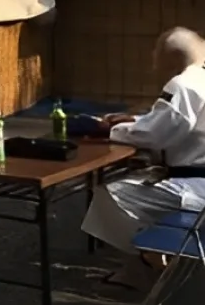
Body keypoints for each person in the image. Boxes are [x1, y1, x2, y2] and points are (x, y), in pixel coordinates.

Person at [82, 28, 205, 289]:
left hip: (195, 187)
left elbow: (155, 135)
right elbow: (181, 125)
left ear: (168, 58)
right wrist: (135, 121)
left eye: (155, 53)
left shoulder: (183, 84)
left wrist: (110, 130)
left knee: (110, 196)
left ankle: (151, 261)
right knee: (139, 186)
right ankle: (145, 261)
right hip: (197, 179)